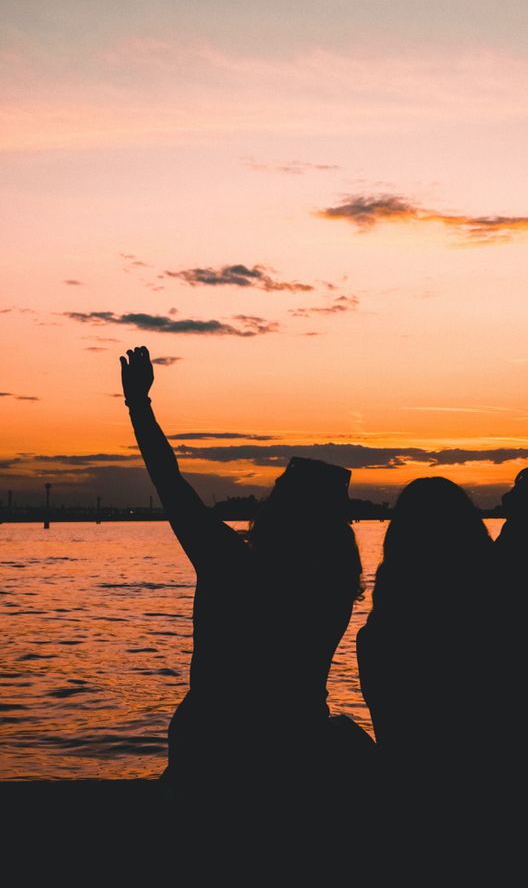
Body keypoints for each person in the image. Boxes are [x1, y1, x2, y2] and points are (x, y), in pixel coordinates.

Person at [357, 336, 528, 807]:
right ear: (468, 529)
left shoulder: (381, 632)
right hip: (510, 778)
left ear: (399, 542)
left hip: (414, 797)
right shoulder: (504, 595)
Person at [120, 345, 371, 807]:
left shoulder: (231, 564)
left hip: (212, 753)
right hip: (298, 753)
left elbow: (170, 484)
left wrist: (139, 404)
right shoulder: (334, 586)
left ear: (280, 512)